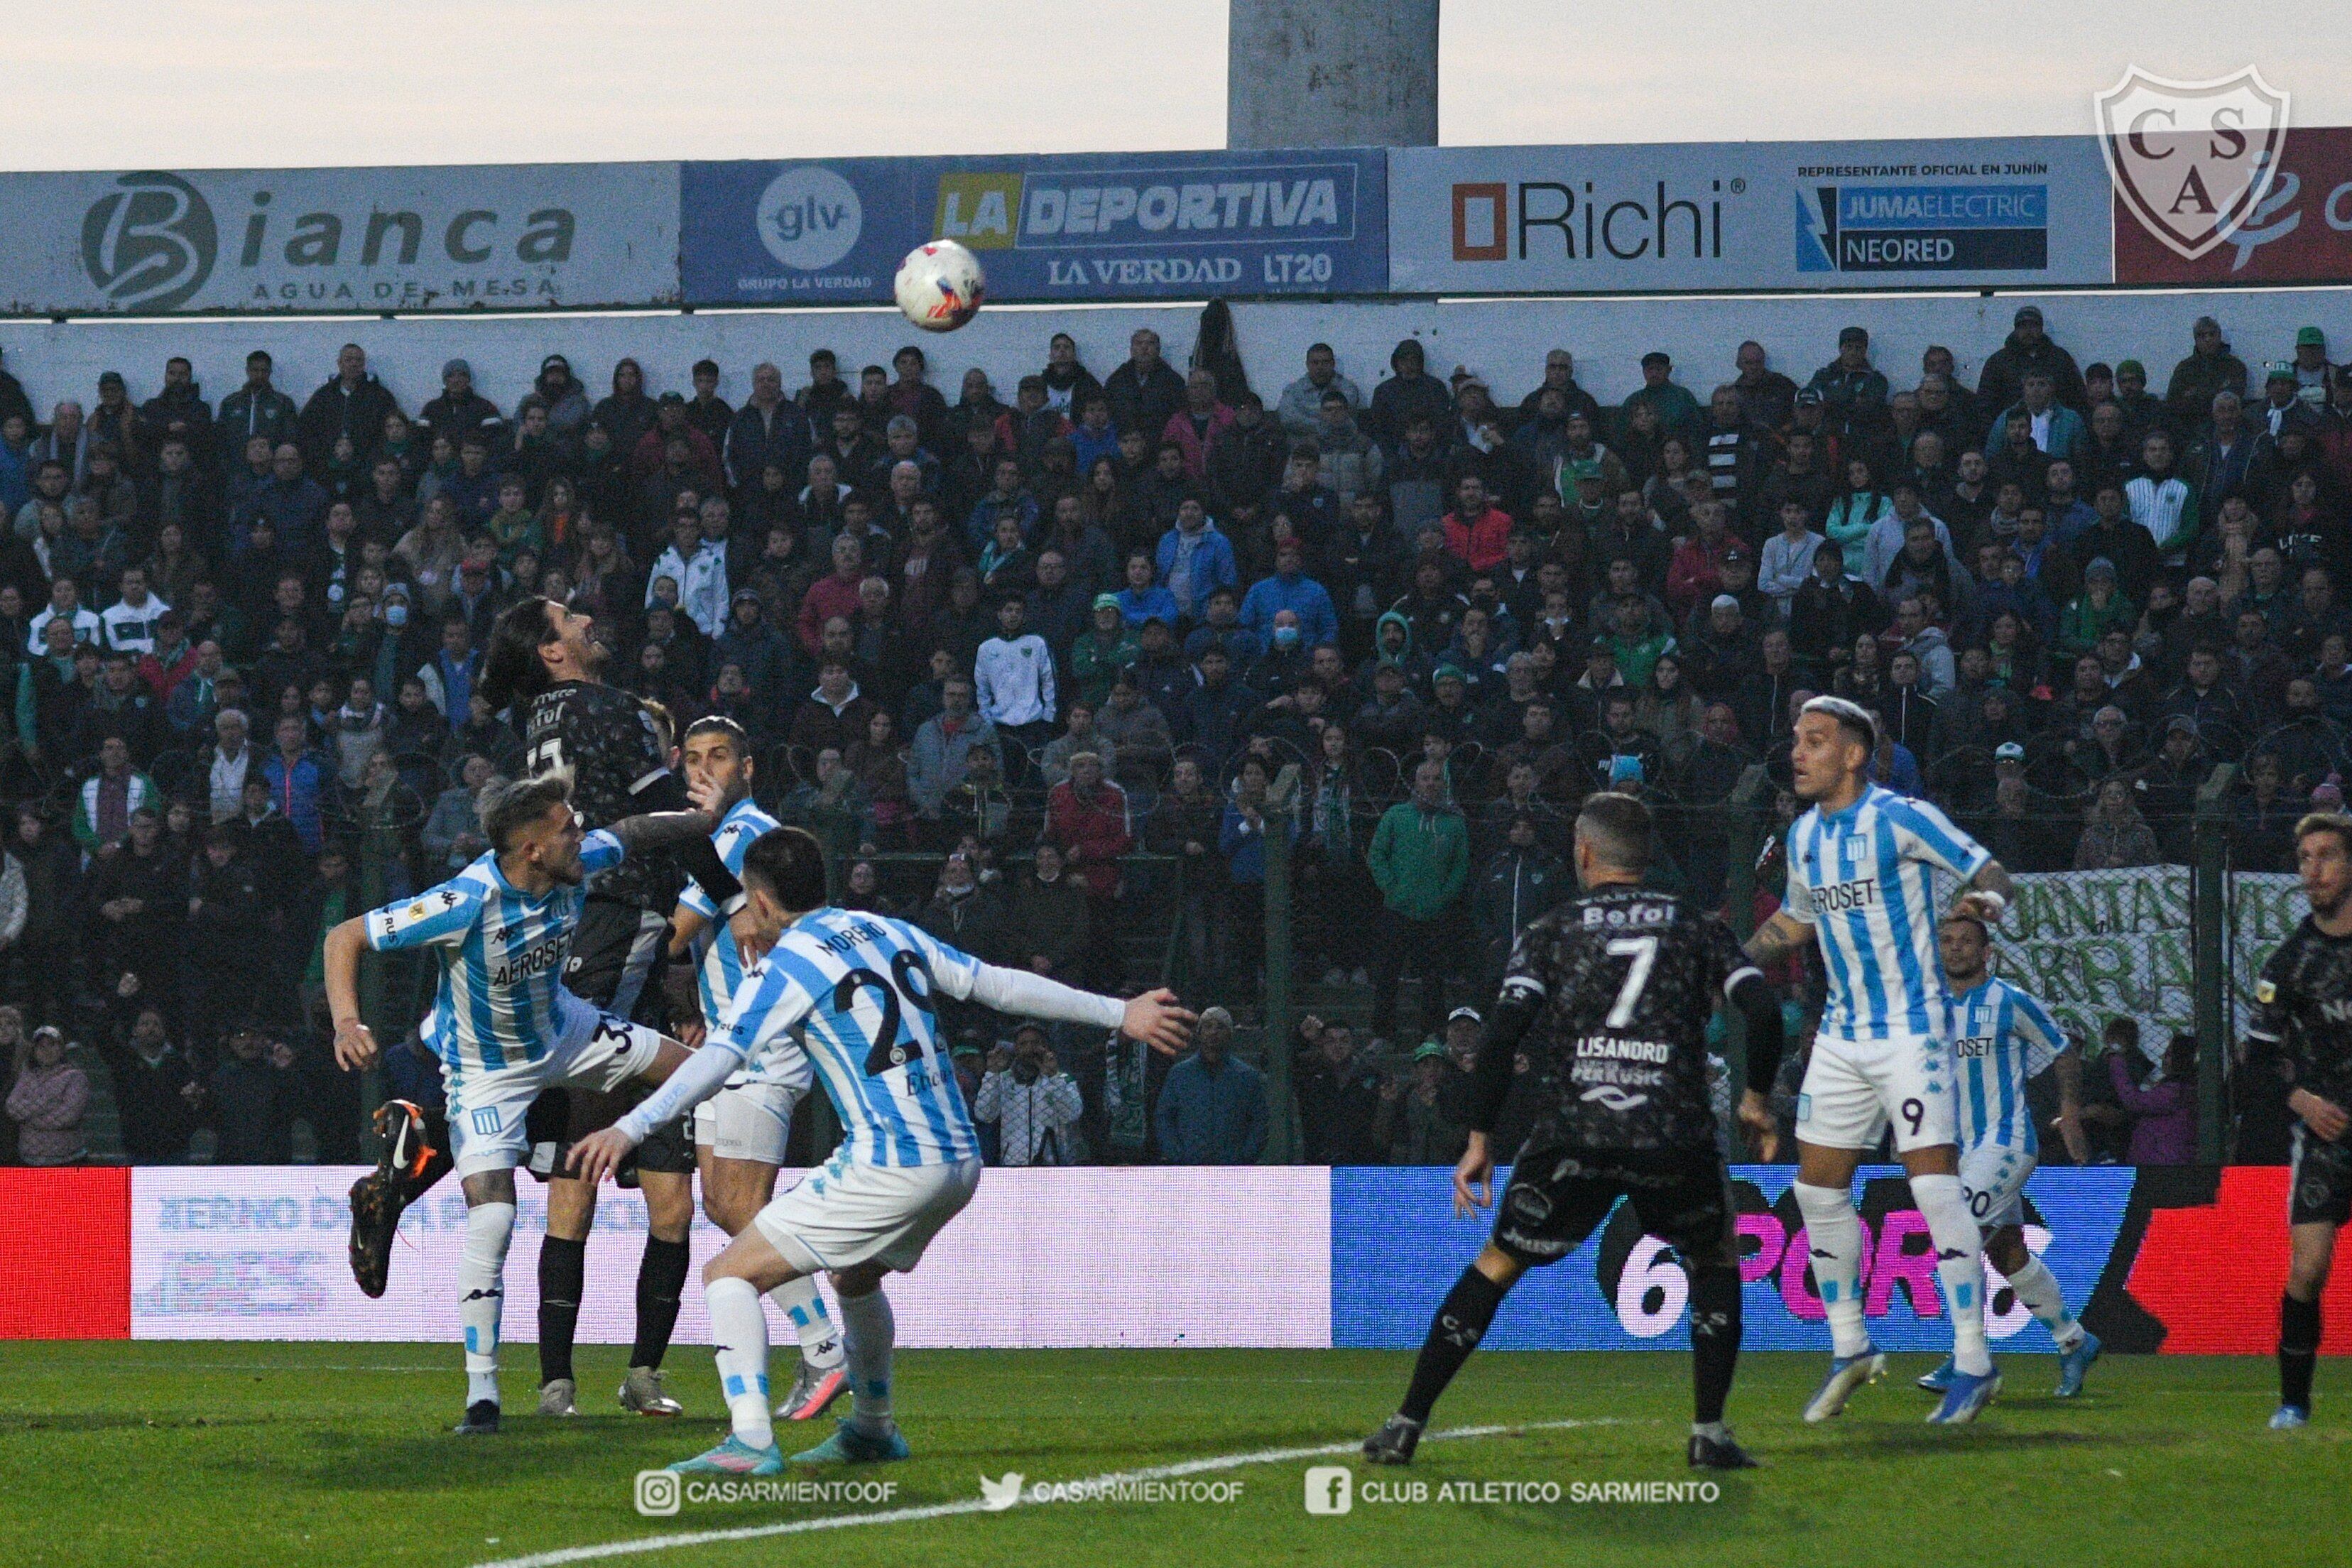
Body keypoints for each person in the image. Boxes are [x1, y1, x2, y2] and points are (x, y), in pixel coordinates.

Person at [563, 824, 1194, 1474]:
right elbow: (995, 985)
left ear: (760, 901)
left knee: (729, 1276)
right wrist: (1119, 1013)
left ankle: (750, 1440)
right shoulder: (886, 930)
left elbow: (717, 1060)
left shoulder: (789, 965)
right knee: (855, 1277)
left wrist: (628, 1128)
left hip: (893, 1161)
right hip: (959, 1160)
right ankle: (872, 1429)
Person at [342, 595, 746, 1414]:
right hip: (618, 918)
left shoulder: (539, 719)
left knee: (584, 1115)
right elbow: (663, 824)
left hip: (581, 948)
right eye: (571, 619)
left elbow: (623, 825)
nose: (591, 619)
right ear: (556, 653)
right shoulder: (614, 718)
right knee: (564, 1123)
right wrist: (734, 902)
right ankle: (427, 1170)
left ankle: (608, 1371)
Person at [1361, 792, 1784, 1471]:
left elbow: (1501, 1038)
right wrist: (1757, 1100)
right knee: (1714, 1259)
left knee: (1499, 1262)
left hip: (1573, 1130)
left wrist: (1480, 1137)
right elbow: (1762, 1010)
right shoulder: (1694, 926)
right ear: (1644, 857)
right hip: (1669, 1129)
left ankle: (1406, 1424)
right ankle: (1709, 1432)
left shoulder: (1551, 929)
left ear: (1585, 852)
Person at [320, 772, 724, 1434]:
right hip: (486, 1073)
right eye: (567, 825)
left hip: (566, 1028)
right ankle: (483, 1399)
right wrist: (346, 1023)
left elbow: (633, 833)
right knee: (494, 1219)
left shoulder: (578, 859)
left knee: (700, 1070)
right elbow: (345, 937)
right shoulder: (466, 898)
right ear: (533, 850)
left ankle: (488, 1146)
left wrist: (701, 822)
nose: (581, 832)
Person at [1741, 695, 2018, 1425]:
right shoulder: (1803, 837)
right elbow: (1798, 920)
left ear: (1854, 754)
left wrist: (1986, 903)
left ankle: (1973, 1360)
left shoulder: (1900, 817)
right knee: (1816, 1192)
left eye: (1816, 741)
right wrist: (1734, 964)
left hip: (1911, 1030)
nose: (1798, 753)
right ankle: (1851, 1348)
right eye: (1796, 739)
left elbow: (1987, 868)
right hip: (1839, 1035)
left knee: (1933, 1191)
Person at [660, 717, 844, 1425]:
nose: (706, 769)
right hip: (725, 1041)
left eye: (721, 757)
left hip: (763, 1046)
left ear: (747, 768)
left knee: (740, 1203)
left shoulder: (741, 835)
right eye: (695, 758)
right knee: (721, 1202)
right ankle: (824, 1340)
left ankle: (824, 1345)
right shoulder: (706, 838)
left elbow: (674, 931)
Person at [1912, 915, 2101, 1400]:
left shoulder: (2009, 1001)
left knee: (1958, 1238)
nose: (1956, 950)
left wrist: (2069, 1110)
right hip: (1959, 1149)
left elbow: (2064, 1051)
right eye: (1947, 941)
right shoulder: (1928, 1009)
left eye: (1966, 942)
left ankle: (1966, 1357)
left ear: (1986, 951)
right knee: (2006, 1251)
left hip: (2006, 1141)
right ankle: (2075, 1342)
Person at [2245, 813, 2352, 1430]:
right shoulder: (2289, 962)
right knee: (2309, 1269)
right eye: (2304, 858)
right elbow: (2258, 1059)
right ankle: (2293, 1404)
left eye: (2327, 856)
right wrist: (2305, 1101)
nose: (2313, 870)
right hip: (2323, 1136)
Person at [1152, 1006, 1267, 1164]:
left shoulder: (1247, 1077)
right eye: (1208, 1026)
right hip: (1190, 1167)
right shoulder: (1180, 1074)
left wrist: (1245, 1157)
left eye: (1220, 1027)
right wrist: (1176, 1154)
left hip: (1232, 1168)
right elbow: (1164, 1117)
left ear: (1230, 1033)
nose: (1214, 1032)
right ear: (1199, 1033)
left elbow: (1260, 1121)